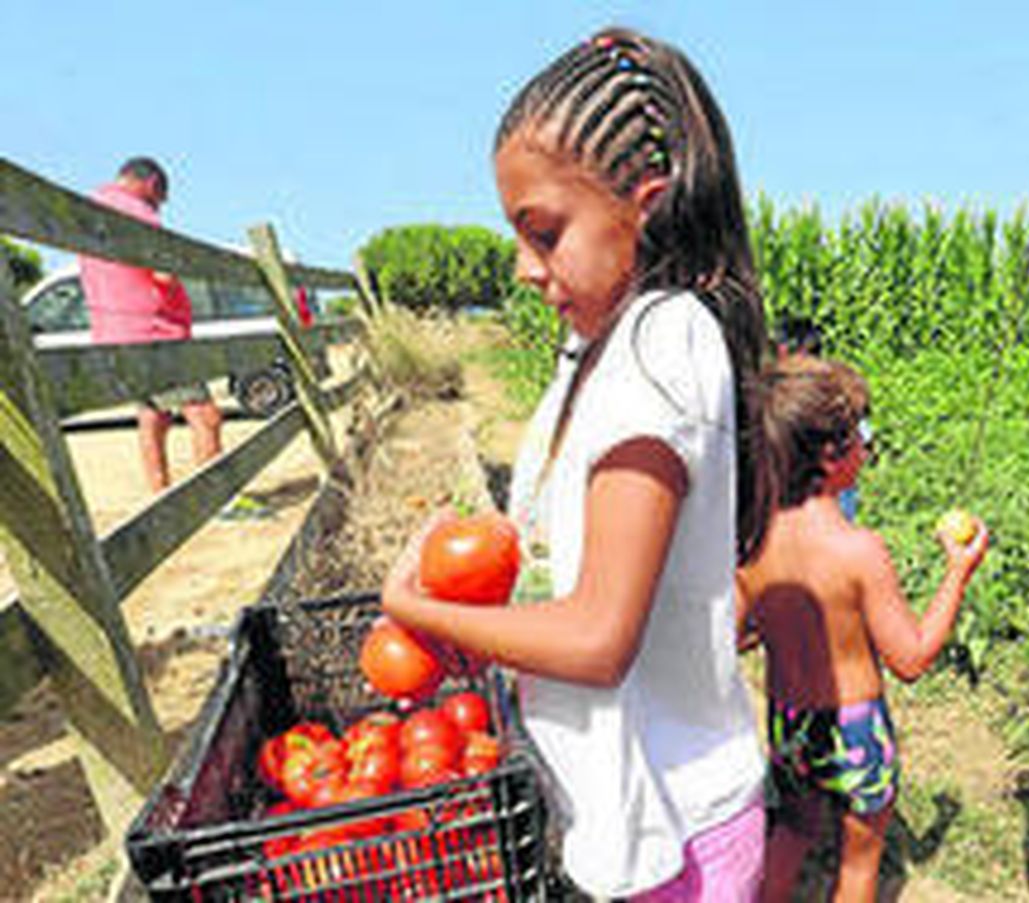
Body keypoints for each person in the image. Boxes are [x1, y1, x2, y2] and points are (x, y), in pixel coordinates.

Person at [380, 27, 776, 900]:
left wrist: (418, 609)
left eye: (545, 232)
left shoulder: (661, 342)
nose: (525, 267)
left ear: (646, 202)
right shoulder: (594, 346)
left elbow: (598, 637)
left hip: (677, 833)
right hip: (625, 812)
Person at [736, 353, 989, 902]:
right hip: (855, 731)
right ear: (830, 455)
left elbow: (735, 635)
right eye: (860, 435)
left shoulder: (753, 543)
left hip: (788, 722)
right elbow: (912, 658)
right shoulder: (859, 550)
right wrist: (957, 573)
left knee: (794, 831)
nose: (868, 446)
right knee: (857, 864)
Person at [80, 157, 222, 492]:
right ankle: (221, 498)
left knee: (153, 416)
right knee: (204, 414)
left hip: (117, 332)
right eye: (161, 199)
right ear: (153, 184)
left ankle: (159, 492)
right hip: (157, 331)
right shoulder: (137, 211)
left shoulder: (92, 208)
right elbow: (163, 272)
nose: (160, 206)